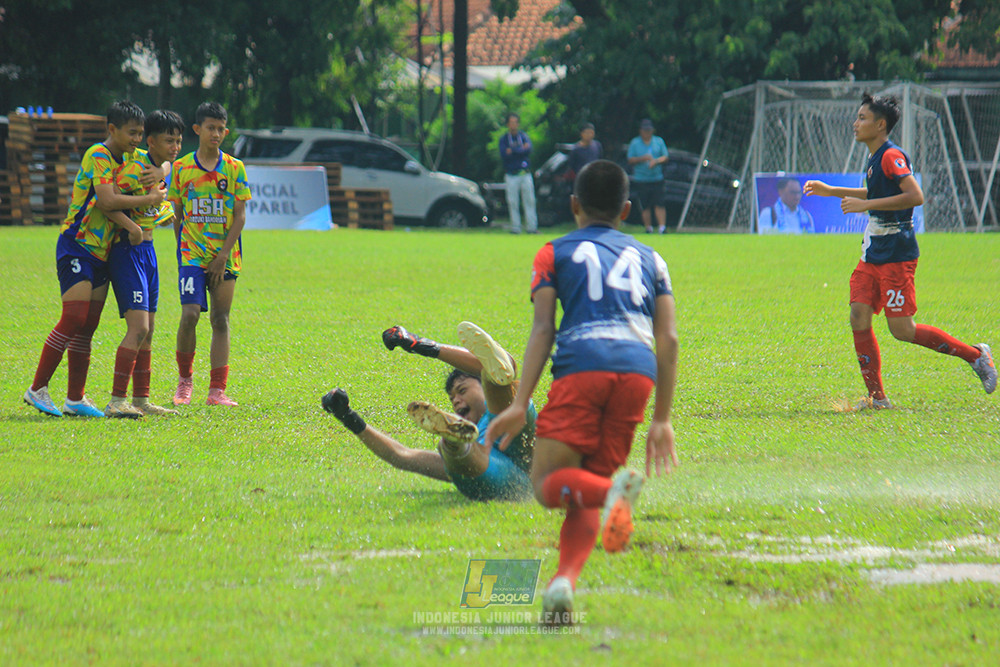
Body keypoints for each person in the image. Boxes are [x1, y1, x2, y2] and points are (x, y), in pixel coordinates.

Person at [485, 160, 679, 623]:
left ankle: (613, 491)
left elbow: (542, 330)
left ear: (573, 205)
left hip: (582, 368)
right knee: (581, 489)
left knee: (547, 485)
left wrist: (517, 403)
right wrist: (662, 418)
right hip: (637, 372)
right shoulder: (652, 257)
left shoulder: (553, 251)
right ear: (627, 210)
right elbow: (668, 339)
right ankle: (562, 586)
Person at [804, 92, 996, 409]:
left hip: (896, 253)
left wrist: (865, 205)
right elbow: (876, 192)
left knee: (902, 330)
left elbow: (915, 195)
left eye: (862, 118)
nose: (856, 123)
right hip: (874, 250)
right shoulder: (874, 156)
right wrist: (831, 191)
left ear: (881, 125)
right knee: (858, 314)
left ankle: (976, 356)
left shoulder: (891, 156)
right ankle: (878, 399)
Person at [24, 100, 166, 418]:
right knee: (74, 317)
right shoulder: (98, 155)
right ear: (111, 129)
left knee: (88, 326)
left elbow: (162, 164)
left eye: (140, 134)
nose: (136, 140)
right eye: (131, 133)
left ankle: (75, 399)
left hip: (103, 251)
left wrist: (161, 171)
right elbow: (106, 200)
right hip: (77, 245)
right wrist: (150, 198)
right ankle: (37, 389)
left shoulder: (130, 157)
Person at [321, 322, 536, 501]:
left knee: (501, 383)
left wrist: (421, 345)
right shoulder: (473, 438)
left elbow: (496, 372)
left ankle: (495, 373)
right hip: (497, 478)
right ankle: (453, 442)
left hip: (520, 439)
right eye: (452, 399)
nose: (456, 401)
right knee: (455, 453)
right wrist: (348, 417)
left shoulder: (497, 406)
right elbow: (401, 455)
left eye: (462, 391)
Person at [168, 101, 251, 407]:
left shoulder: (234, 168)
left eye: (221, 129)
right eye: (210, 128)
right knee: (190, 315)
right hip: (191, 255)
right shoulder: (181, 168)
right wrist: (183, 250)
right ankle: (184, 383)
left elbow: (240, 216)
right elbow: (176, 212)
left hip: (225, 257)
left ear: (226, 131)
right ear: (197, 129)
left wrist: (223, 255)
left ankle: (217, 391)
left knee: (220, 318)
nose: (216, 134)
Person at [105, 110, 186, 417]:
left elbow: (165, 168)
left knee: (149, 330)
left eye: (178, 141)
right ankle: (116, 401)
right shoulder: (135, 169)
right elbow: (108, 203)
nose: (175, 147)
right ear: (150, 141)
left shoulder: (159, 169)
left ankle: (141, 401)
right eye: (169, 140)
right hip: (127, 252)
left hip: (149, 254)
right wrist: (132, 227)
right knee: (138, 328)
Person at [626, 118, 669, 234]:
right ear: (640, 131)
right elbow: (630, 159)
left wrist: (656, 161)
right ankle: (648, 228)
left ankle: (662, 228)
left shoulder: (658, 141)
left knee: (659, 203)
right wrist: (643, 158)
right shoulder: (635, 143)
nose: (647, 132)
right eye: (645, 130)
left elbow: (665, 156)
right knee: (645, 205)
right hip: (641, 179)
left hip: (657, 178)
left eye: (649, 130)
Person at [498, 113, 538, 234]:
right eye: (511, 122)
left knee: (529, 200)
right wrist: (520, 150)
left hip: (524, 173)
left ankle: (532, 227)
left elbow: (528, 149)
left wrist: (513, 150)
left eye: (515, 122)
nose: (513, 125)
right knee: (513, 201)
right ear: (507, 124)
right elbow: (504, 154)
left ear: (518, 124)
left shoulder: (523, 136)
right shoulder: (504, 139)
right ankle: (515, 227)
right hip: (511, 174)